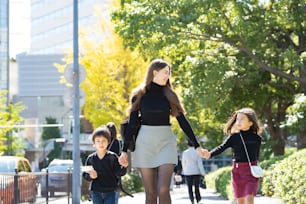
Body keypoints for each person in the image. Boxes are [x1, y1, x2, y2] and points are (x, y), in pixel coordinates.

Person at [118, 59, 208, 204]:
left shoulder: (170, 95)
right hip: (144, 144)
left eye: (169, 73)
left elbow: (183, 121)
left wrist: (197, 145)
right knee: (151, 193)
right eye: (165, 72)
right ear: (155, 72)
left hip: (166, 142)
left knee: (163, 189)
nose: (168, 76)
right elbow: (132, 124)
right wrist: (123, 151)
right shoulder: (139, 95)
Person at [203, 107, 262, 204]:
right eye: (237, 119)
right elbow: (222, 147)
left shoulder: (257, 138)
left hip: (251, 172)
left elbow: (257, 155)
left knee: (249, 199)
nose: (238, 121)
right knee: (241, 201)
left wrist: (257, 168)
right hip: (237, 171)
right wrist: (210, 154)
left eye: (242, 119)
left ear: (250, 123)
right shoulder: (234, 137)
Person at [83, 126, 126, 204]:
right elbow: (85, 175)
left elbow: (120, 172)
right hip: (96, 192)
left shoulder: (113, 157)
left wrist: (125, 166)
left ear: (108, 141)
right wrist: (91, 176)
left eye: (103, 141)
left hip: (110, 191)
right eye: (98, 141)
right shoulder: (91, 159)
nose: (101, 143)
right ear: (94, 143)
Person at [182, 140, 206, 204]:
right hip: (196, 172)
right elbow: (200, 163)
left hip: (188, 172)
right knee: (196, 187)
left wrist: (184, 171)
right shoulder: (197, 152)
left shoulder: (185, 152)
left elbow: (183, 163)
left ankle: (192, 200)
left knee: (189, 188)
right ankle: (198, 199)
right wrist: (203, 173)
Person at [106, 122, 121, 204]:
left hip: (105, 169)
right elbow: (118, 156)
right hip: (114, 171)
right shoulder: (117, 142)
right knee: (114, 195)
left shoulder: (104, 141)